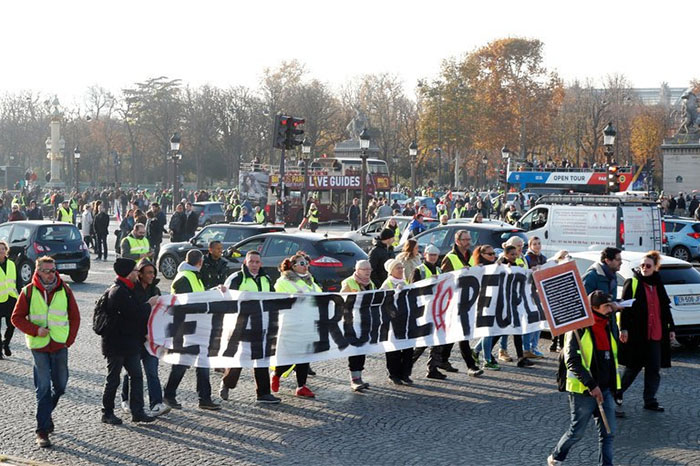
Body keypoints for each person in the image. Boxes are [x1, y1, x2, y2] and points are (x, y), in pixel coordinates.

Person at [11, 256, 80, 447]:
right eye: (47, 271)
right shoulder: (28, 291)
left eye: (53, 270)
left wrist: (69, 340)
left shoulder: (65, 289)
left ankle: (46, 414)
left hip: (59, 344)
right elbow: (16, 318)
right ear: (38, 271)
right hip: (39, 346)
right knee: (43, 389)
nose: (51, 274)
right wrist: (35, 330)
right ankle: (42, 431)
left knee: (60, 386)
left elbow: (75, 317)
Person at [547, 291, 620, 466]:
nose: (610, 309)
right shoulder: (577, 330)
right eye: (606, 306)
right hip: (584, 392)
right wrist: (591, 385)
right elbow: (572, 361)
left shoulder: (608, 324)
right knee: (576, 433)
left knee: (608, 433)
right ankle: (556, 457)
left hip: (605, 389)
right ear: (594, 308)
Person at [100, 258, 158, 425]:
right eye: (134, 270)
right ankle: (107, 412)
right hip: (116, 344)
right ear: (127, 273)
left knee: (137, 376)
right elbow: (134, 313)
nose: (136, 273)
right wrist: (149, 304)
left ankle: (137, 411)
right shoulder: (118, 291)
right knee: (113, 379)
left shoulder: (127, 289)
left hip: (130, 342)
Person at [218, 251, 281, 404]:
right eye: (251, 261)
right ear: (245, 262)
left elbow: (273, 299)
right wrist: (222, 291)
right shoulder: (236, 278)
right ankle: (227, 383)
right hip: (241, 326)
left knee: (261, 359)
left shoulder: (266, 279)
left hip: (261, 325)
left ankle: (263, 393)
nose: (254, 264)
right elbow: (226, 299)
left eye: (257, 262)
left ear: (261, 264)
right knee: (240, 358)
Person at [618, 251, 675, 413]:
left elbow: (665, 308)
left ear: (655, 267)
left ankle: (650, 400)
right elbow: (625, 309)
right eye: (642, 265)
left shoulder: (658, 284)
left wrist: (671, 328)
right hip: (638, 334)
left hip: (656, 333)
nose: (644, 268)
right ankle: (617, 393)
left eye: (648, 266)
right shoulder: (633, 282)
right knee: (632, 368)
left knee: (653, 369)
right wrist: (623, 328)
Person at [164, 250, 221, 410]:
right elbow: (186, 303)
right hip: (186, 328)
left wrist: (213, 292)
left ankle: (204, 398)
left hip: (195, 327)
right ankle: (169, 395)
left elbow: (198, 296)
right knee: (182, 363)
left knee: (202, 362)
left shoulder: (192, 276)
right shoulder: (185, 278)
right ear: (200, 262)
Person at [120, 259, 171, 417]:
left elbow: (161, 314)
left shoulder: (155, 290)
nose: (152, 275)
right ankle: (126, 399)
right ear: (140, 274)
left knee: (152, 371)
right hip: (135, 339)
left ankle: (156, 404)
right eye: (148, 272)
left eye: (153, 272)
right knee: (131, 372)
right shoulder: (130, 290)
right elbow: (132, 315)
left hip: (151, 339)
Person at [271, 252, 318, 398]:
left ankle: (301, 386)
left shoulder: (310, 280)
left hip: (308, 323)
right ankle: (277, 374)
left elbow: (320, 296)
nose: (305, 266)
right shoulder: (283, 281)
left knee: (305, 356)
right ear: (293, 266)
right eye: (302, 264)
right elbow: (282, 300)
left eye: (307, 263)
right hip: (292, 324)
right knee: (291, 355)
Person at [438, 229, 483, 376]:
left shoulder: (471, 256)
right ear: (457, 241)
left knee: (456, 333)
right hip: (454, 302)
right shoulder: (450, 258)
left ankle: (443, 359)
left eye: (469, 239)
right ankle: (471, 366)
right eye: (465, 240)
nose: (468, 242)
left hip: (468, 301)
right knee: (463, 334)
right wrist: (458, 274)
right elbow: (444, 279)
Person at [409, 245, 448, 379]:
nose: (433, 257)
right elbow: (413, 289)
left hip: (437, 310)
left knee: (438, 341)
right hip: (424, 311)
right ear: (425, 255)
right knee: (422, 342)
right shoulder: (418, 270)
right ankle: (406, 366)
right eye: (430, 255)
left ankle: (433, 368)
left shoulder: (439, 270)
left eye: (435, 255)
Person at [340, 260, 375, 392]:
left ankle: (359, 377)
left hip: (365, 321)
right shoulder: (348, 282)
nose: (368, 272)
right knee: (355, 350)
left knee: (362, 350)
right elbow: (342, 300)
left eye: (369, 269)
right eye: (365, 269)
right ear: (357, 270)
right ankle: (354, 379)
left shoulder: (371, 283)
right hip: (352, 322)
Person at [381, 258, 414, 385]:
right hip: (393, 322)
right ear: (391, 271)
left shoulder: (404, 282)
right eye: (398, 268)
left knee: (408, 349)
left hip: (406, 321)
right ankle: (393, 374)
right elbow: (383, 300)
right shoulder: (387, 284)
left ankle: (405, 373)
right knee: (393, 349)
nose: (401, 270)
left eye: (402, 267)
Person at [471, 245, 502, 370]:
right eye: (490, 254)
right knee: (488, 331)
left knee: (494, 331)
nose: (493, 256)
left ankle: (475, 351)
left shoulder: (495, 265)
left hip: (495, 302)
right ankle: (487, 359)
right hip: (484, 302)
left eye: (494, 253)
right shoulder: (479, 268)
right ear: (482, 255)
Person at [523, 236, 547, 359]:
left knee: (540, 320)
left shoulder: (543, 258)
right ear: (530, 246)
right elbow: (524, 273)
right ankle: (526, 348)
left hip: (540, 292)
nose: (537, 246)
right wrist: (531, 271)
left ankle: (534, 347)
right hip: (530, 292)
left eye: (539, 243)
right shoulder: (527, 258)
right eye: (535, 244)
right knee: (531, 320)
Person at [0, 241, 18, 359]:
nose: (1, 251)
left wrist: (21, 296)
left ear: (6, 250)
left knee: (11, 325)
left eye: (3, 249)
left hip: (11, 299)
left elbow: (18, 281)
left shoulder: (12, 264)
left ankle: (6, 343)